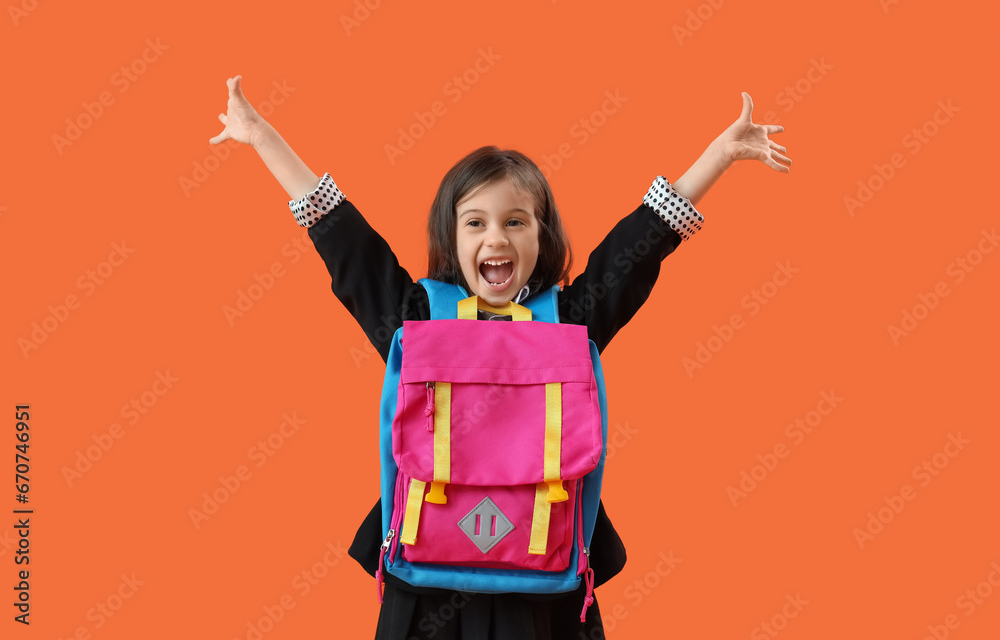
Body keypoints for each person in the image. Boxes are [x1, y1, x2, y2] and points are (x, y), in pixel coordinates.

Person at [210, 75, 791, 639]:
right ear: (452, 238)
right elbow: (347, 245)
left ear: (542, 239)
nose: (496, 239)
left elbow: (635, 252)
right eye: (475, 223)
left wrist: (717, 156)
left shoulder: (568, 321)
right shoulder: (417, 317)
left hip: (544, 576)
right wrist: (262, 136)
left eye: (516, 222)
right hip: (429, 582)